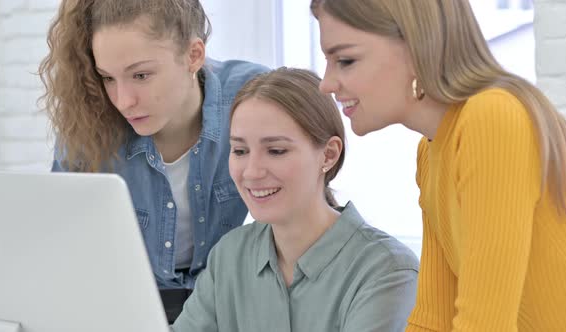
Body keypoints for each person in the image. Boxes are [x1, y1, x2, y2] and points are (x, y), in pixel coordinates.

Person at [311, 0, 566, 331]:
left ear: (415, 46)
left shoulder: (491, 119)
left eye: (345, 60)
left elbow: (484, 326)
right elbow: (433, 320)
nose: (326, 83)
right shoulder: (432, 150)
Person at [38, 0, 268, 323]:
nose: (122, 100)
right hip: (126, 310)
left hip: (232, 305)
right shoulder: (88, 126)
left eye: (141, 75)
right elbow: (62, 247)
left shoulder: (253, 98)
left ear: (193, 55)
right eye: (108, 78)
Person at [171, 67, 419, 332]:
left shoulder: (388, 272)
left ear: (328, 155)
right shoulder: (230, 255)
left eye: (276, 151)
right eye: (240, 150)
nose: (252, 172)